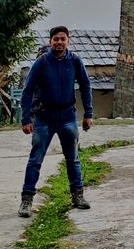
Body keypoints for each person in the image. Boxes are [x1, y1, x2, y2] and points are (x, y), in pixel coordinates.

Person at [17, 25, 94, 217]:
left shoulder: (75, 61)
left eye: (63, 39)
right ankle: (26, 201)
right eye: (56, 39)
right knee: (35, 160)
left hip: (67, 116)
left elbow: (85, 86)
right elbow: (27, 91)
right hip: (44, 117)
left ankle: (78, 195)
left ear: (68, 41)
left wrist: (88, 114)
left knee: (73, 159)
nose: (59, 42)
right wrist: (26, 118)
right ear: (50, 41)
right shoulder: (42, 62)